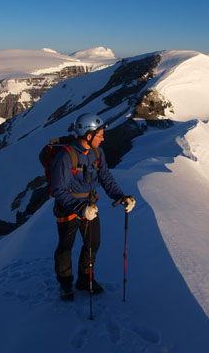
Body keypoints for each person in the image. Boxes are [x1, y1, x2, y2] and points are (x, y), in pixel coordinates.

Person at [51, 112, 136, 300]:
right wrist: (80, 209)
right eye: (99, 135)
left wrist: (121, 197)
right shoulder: (66, 157)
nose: (103, 138)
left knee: (92, 243)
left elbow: (105, 177)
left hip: (90, 206)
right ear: (88, 136)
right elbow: (59, 190)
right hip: (69, 208)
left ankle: (85, 279)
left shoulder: (97, 152)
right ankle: (65, 284)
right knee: (65, 247)